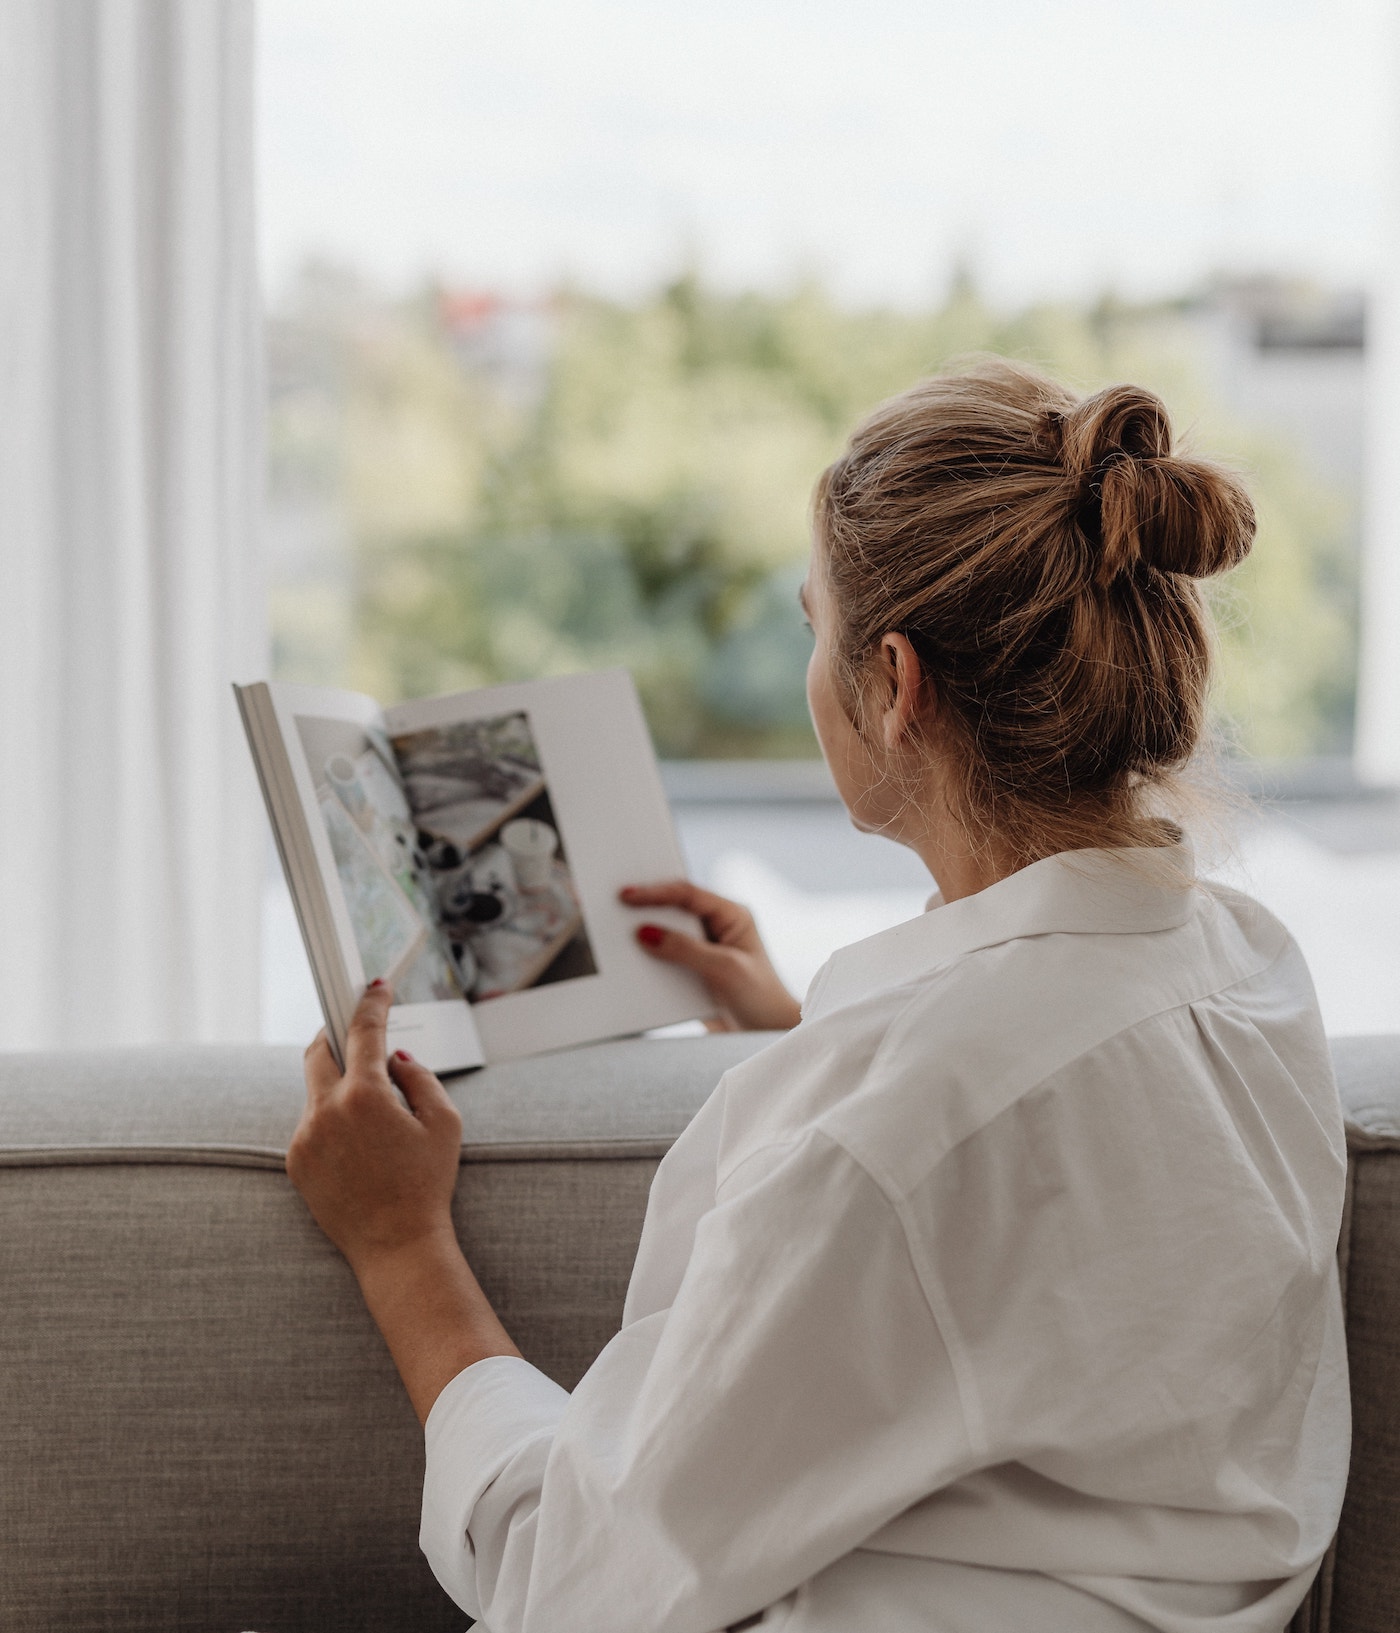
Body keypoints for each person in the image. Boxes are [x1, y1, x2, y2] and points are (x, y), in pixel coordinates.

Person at [288, 358, 1349, 1633]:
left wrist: (400, 1242)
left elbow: (561, 1586)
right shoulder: (1250, 969)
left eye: (814, 626)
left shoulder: (886, 1134)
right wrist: (807, 1039)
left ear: (894, 684)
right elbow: (1044, 1231)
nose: (811, 669)